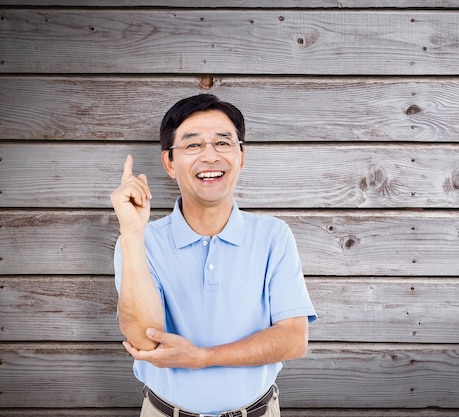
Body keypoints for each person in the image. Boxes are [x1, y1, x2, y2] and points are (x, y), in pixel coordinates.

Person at [110, 93, 317, 417]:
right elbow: (146, 342)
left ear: (241, 156)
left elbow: (293, 339)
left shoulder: (273, 236)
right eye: (193, 145)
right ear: (169, 162)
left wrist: (204, 357)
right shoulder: (139, 240)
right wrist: (133, 233)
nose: (210, 156)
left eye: (223, 143)